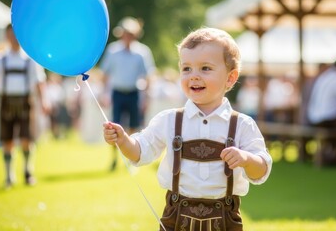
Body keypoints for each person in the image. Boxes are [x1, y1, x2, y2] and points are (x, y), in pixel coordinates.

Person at [103, 27, 272, 230]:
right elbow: (140, 152)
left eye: (205, 68)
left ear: (230, 78)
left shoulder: (242, 124)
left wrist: (246, 158)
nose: (194, 76)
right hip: (177, 216)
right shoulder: (169, 120)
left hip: (225, 219)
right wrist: (123, 140)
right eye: (187, 68)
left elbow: (261, 169)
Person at [0, 24, 49, 188]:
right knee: (7, 140)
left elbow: (39, 82)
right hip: (5, 101)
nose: (14, 37)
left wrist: (43, 102)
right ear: (6, 37)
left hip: (25, 101)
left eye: (16, 34)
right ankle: (9, 176)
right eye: (10, 34)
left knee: (27, 138)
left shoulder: (30, 59)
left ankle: (28, 171)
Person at [100, 16, 155, 171]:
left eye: (130, 33)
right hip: (117, 93)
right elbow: (105, 74)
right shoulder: (113, 50)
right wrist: (104, 93)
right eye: (125, 33)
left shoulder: (142, 52)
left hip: (134, 93)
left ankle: (131, 159)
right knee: (114, 127)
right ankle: (114, 160)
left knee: (133, 127)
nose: (127, 36)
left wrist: (147, 97)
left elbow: (148, 76)